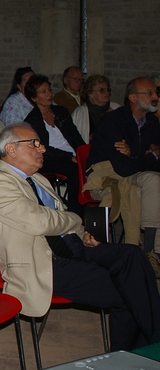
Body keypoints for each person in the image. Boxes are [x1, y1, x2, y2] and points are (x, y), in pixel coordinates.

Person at [0, 124, 160, 351]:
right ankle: (139, 354)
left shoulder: (36, 179)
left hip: (71, 247)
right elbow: (40, 221)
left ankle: (151, 343)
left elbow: (56, 218)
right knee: (126, 291)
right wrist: (75, 220)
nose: (42, 149)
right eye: (34, 143)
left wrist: (79, 233)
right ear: (11, 149)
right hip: (45, 263)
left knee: (133, 256)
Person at [87, 77, 160, 255]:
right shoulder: (113, 121)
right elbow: (123, 168)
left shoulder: (152, 122)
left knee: (153, 179)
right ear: (133, 97)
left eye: (156, 93)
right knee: (151, 179)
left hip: (133, 173)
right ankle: (150, 252)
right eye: (149, 93)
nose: (155, 97)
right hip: (106, 177)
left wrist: (134, 154)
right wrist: (152, 156)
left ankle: (154, 252)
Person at [23, 74, 85, 216]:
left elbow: (75, 137)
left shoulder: (61, 112)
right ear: (34, 98)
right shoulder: (32, 120)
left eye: (49, 90)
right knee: (75, 170)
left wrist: (83, 153)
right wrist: (69, 157)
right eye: (43, 92)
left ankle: (96, 209)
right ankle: (77, 214)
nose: (49, 94)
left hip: (73, 155)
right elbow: (43, 149)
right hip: (50, 159)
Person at [71, 75, 120, 143]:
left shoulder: (117, 108)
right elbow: (72, 137)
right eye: (101, 90)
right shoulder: (80, 113)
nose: (106, 93)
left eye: (107, 89)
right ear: (90, 93)